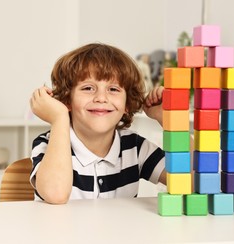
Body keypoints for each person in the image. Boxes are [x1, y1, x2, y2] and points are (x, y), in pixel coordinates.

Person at [29, 43, 166, 204]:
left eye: (113, 89)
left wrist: (169, 119)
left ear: (127, 104)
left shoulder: (136, 148)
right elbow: (56, 194)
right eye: (88, 88)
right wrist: (59, 118)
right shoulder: (48, 144)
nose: (101, 98)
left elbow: (192, 180)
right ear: (67, 99)